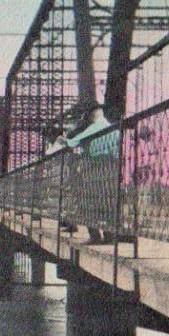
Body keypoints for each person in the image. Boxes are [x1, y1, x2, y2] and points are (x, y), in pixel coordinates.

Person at [62, 104, 120, 244]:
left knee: (88, 200)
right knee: (108, 200)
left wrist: (64, 141)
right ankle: (110, 236)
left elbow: (72, 143)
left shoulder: (94, 127)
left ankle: (94, 236)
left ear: (91, 116)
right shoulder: (115, 129)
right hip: (111, 166)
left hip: (95, 166)